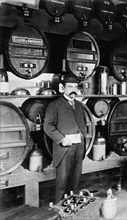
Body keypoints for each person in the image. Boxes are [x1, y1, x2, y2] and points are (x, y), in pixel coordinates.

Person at [44, 75, 86, 203]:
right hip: (64, 149)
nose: (74, 89)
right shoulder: (54, 105)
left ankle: (72, 207)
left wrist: (83, 136)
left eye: (75, 87)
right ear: (62, 88)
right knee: (62, 183)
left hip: (79, 148)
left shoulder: (79, 105)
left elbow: (83, 122)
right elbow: (48, 126)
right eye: (70, 86)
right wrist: (61, 139)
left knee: (75, 181)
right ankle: (60, 211)